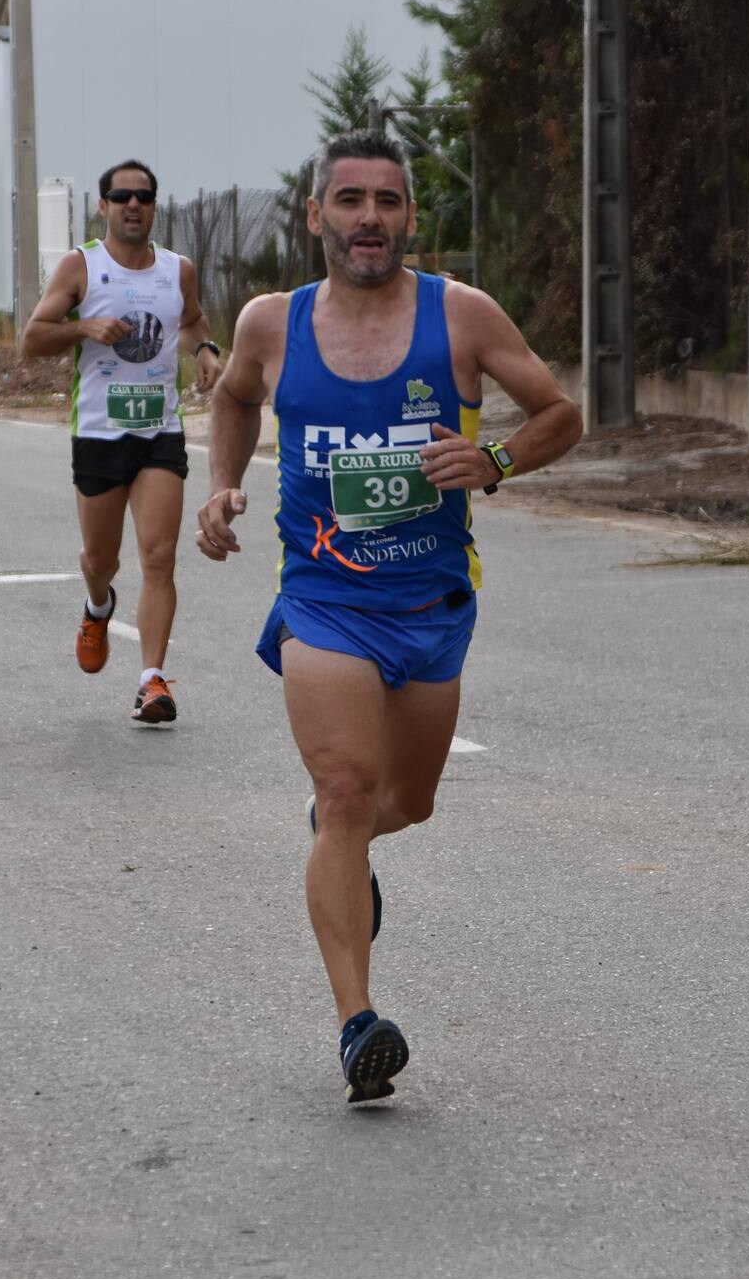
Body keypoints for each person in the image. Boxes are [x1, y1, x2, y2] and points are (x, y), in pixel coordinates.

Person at [195, 132, 582, 1103]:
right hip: (325, 598)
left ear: (412, 217)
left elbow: (558, 413)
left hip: (432, 597)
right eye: (351, 200)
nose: (370, 217)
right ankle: (357, 1023)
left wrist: (494, 462)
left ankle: (345, 840)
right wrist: (224, 485)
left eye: (389, 201)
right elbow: (236, 401)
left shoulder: (462, 318)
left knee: (403, 803)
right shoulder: (270, 324)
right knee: (348, 787)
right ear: (316, 215)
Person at [21, 159, 220, 723]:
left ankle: (152, 681)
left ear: (155, 206)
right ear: (103, 206)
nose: (133, 205)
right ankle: (97, 604)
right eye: (121, 196)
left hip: (160, 429)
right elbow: (32, 338)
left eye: (144, 196)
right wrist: (83, 327)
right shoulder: (81, 266)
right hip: (100, 432)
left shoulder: (179, 269)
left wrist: (206, 349)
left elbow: (196, 319)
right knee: (100, 558)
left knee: (159, 556)